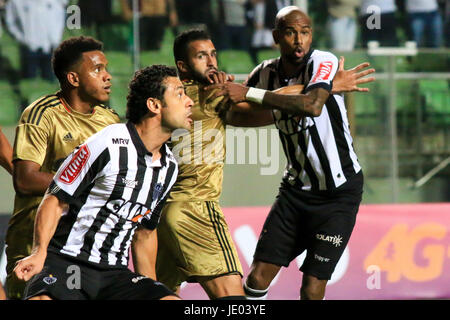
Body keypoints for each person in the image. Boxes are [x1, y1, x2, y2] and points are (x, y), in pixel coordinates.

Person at [154, 28, 374, 299]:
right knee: (234, 300)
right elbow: (265, 104)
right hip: (196, 209)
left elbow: (259, 114)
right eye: (202, 56)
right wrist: (326, 85)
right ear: (183, 66)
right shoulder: (208, 94)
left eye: (213, 54)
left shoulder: (169, 100)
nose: (212, 62)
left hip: (162, 211)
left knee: (164, 294)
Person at [14, 65, 194, 300]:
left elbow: (145, 233)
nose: (190, 102)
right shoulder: (108, 142)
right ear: (154, 105)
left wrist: (148, 287)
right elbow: (55, 199)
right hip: (68, 264)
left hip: (114, 275)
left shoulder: (169, 168)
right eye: (180, 94)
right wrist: (39, 253)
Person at [5, 36, 121, 300]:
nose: (108, 76)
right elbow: (25, 180)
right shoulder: (41, 114)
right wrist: (87, 183)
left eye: (106, 68)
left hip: (83, 245)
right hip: (35, 241)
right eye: (98, 69)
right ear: (73, 79)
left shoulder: (111, 121)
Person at [4, 0, 67, 81]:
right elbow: (10, 22)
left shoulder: (55, 2)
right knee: (29, 80)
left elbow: (60, 19)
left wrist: (55, 38)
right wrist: (22, 39)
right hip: (29, 49)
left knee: (50, 81)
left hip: (50, 48)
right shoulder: (16, 2)